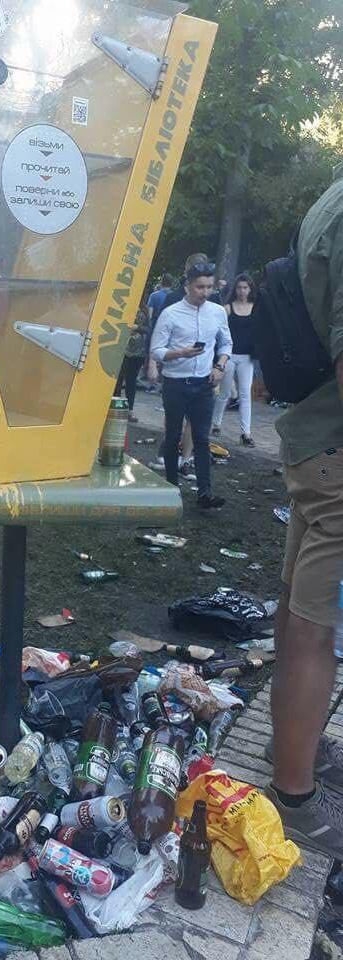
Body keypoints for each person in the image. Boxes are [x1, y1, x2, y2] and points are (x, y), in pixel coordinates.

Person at [263, 164, 343, 857]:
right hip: (338, 452)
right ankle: (295, 796)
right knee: (318, 628)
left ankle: (291, 751)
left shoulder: (332, 198)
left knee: (298, 608)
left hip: (315, 445)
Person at [149, 262, 232, 510]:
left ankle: (205, 493)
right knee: (174, 435)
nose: (204, 292)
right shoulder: (171, 313)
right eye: (199, 287)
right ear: (188, 286)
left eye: (209, 286)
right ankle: (172, 488)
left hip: (204, 383)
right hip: (176, 383)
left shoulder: (217, 312)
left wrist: (220, 366)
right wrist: (180, 353)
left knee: (202, 438)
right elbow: (156, 350)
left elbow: (226, 342)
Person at [211, 273, 256, 445]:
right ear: (234, 289)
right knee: (224, 393)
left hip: (247, 357)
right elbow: (218, 332)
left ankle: (246, 433)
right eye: (239, 287)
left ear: (250, 289)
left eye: (245, 287)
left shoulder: (255, 308)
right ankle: (216, 424)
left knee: (245, 394)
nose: (242, 291)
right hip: (229, 355)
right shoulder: (227, 308)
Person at [115, 303, 148, 421]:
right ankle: (116, 409)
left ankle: (129, 410)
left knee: (131, 382)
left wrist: (137, 327)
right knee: (117, 380)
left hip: (138, 352)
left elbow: (149, 329)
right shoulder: (124, 304)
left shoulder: (145, 309)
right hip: (122, 349)